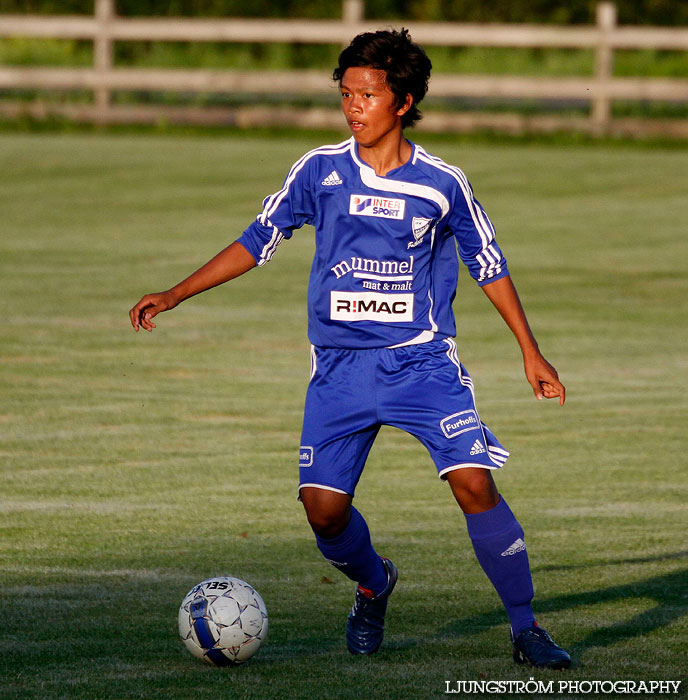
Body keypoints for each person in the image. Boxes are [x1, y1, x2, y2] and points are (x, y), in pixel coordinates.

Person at [129, 28, 571, 669]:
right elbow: (258, 239)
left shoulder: (441, 183)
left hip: (422, 362)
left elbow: (488, 264)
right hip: (339, 368)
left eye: (367, 94)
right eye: (346, 94)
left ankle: (526, 628)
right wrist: (175, 293)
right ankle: (374, 583)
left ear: (404, 100)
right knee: (324, 512)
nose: (354, 106)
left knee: (474, 484)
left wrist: (530, 351)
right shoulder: (319, 170)